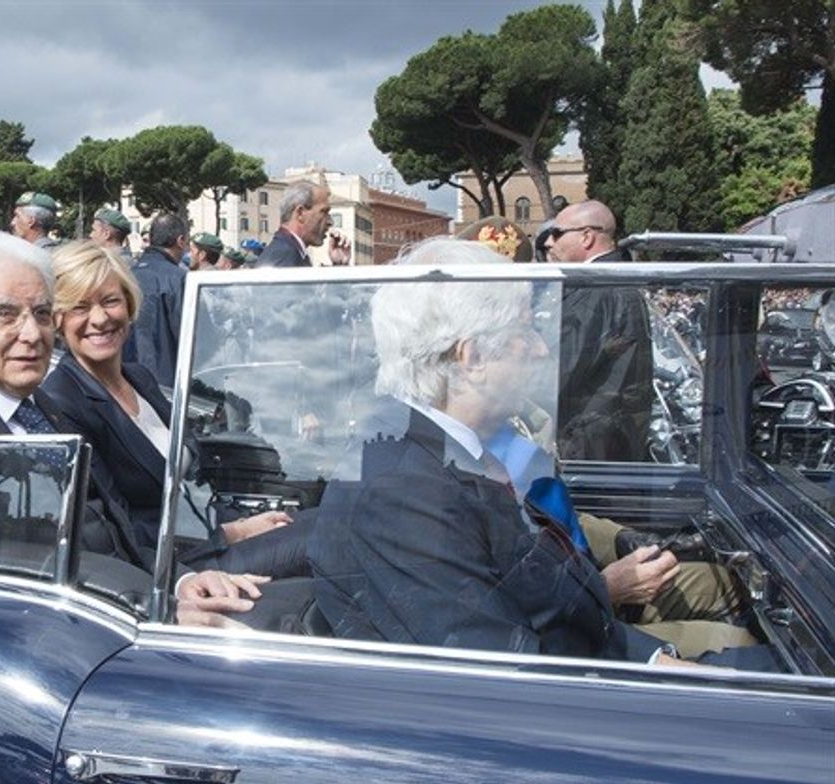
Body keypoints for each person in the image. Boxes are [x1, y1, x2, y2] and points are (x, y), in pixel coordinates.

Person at [310, 238, 728, 667]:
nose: (541, 348)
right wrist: (658, 663)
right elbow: (508, 669)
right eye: (524, 332)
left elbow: (529, 584)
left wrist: (655, 654)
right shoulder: (406, 494)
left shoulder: (455, 449)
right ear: (471, 359)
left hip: (589, 640)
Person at [0, 232, 264, 627]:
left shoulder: (41, 408)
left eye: (41, 314)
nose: (33, 334)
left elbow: (113, 526)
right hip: (69, 636)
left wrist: (182, 582)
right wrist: (158, 611)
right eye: (6, 315)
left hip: (132, 601)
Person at [43, 240, 295, 552]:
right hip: (174, 565)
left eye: (110, 301)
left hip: (208, 527)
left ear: (130, 304)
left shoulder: (140, 378)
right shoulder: (60, 402)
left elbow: (188, 473)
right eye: (79, 307)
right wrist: (232, 533)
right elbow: (114, 529)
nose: (100, 318)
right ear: (57, 320)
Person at [546, 199, 653, 461]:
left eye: (558, 233)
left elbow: (561, 370)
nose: (549, 241)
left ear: (586, 237)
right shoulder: (611, 280)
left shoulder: (597, 289)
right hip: (607, 435)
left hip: (590, 440)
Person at [129, 213, 189, 386]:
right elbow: (192, 338)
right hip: (165, 384)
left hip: (126, 380)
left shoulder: (127, 274)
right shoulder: (179, 279)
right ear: (180, 240)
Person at [258, 179, 331, 268]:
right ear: (300, 213)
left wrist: (339, 263)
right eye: (324, 212)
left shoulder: (290, 251)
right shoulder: (284, 255)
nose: (329, 222)